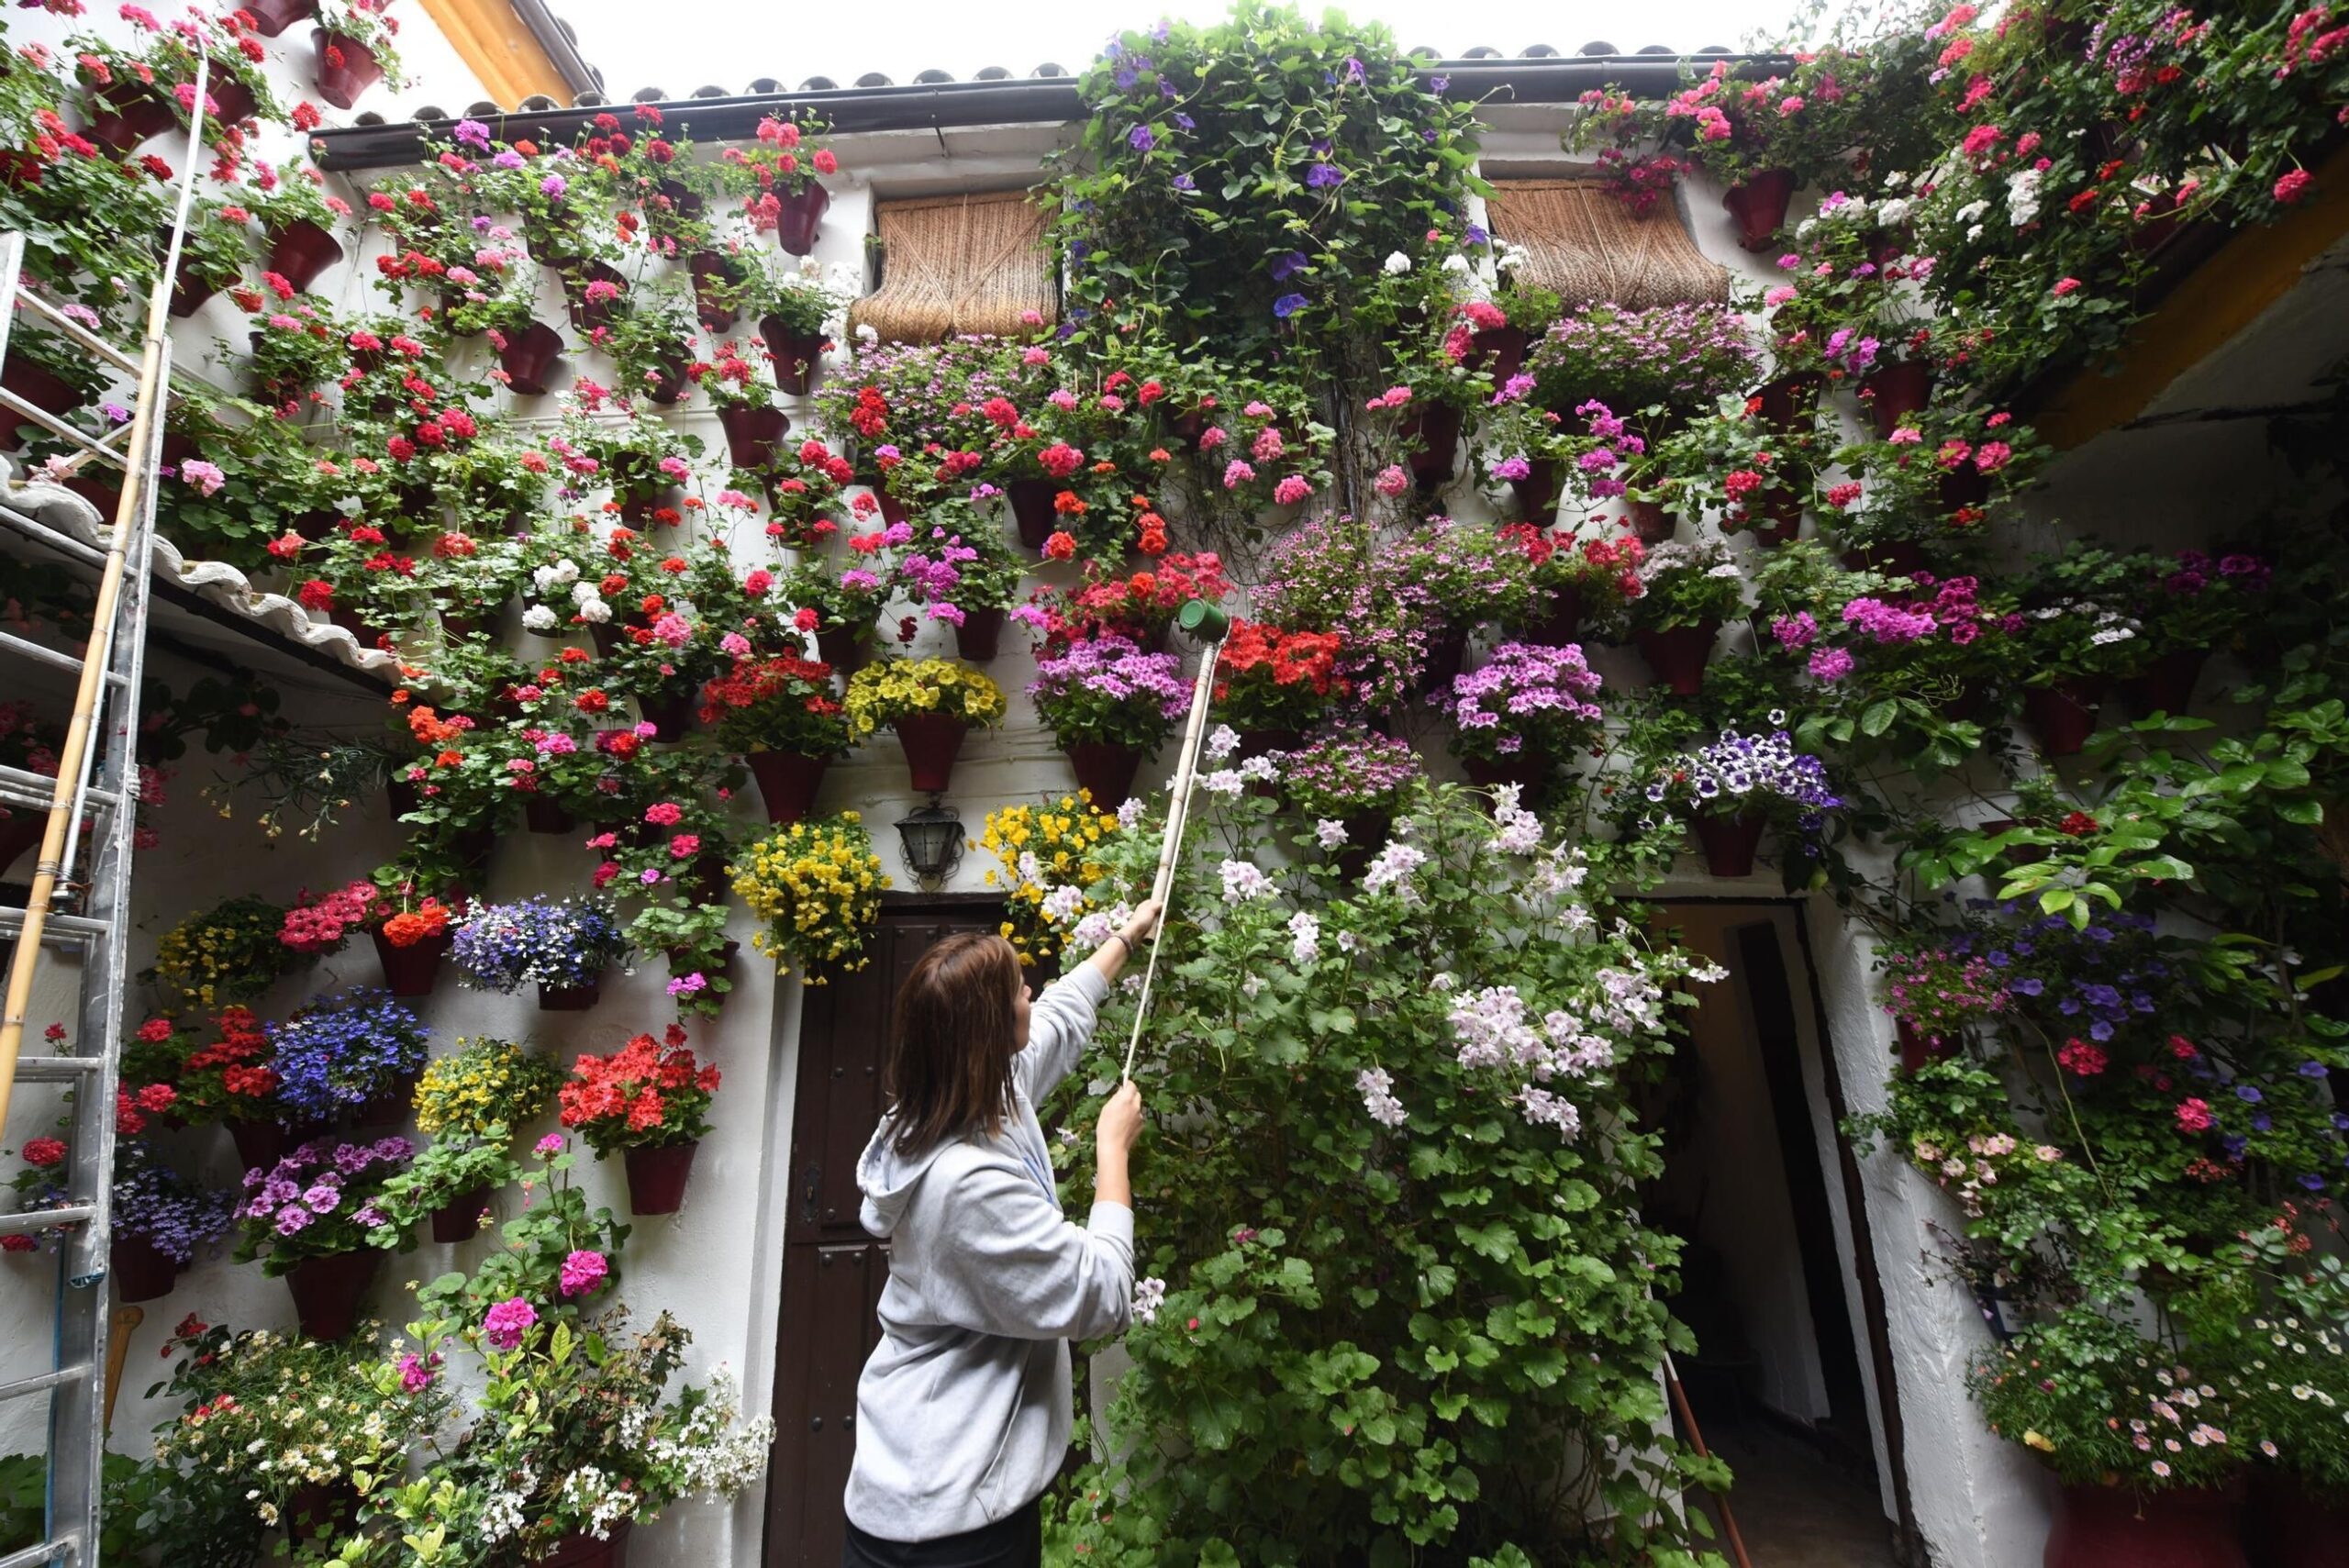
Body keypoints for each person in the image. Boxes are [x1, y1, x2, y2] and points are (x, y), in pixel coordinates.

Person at [842, 898, 1164, 1567]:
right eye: (1019, 989)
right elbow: (1102, 1294)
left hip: (942, 1493)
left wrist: (1128, 937)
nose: (1032, 994)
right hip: (946, 1521)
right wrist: (1112, 1149)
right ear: (988, 1029)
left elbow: (1062, 1014)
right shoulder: (965, 1187)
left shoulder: (968, 1096)